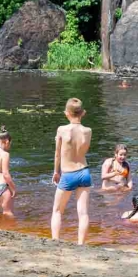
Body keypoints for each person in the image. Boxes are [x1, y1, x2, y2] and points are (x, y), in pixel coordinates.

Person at [51, 98, 93, 245]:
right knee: (83, 213)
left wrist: (56, 172)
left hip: (68, 173)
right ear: (83, 113)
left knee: (57, 210)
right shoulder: (88, 131)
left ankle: (55, 241)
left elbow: (57, 154)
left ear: (66, 113)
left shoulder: (62, 130)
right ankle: (81, 244)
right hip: (84, 171)